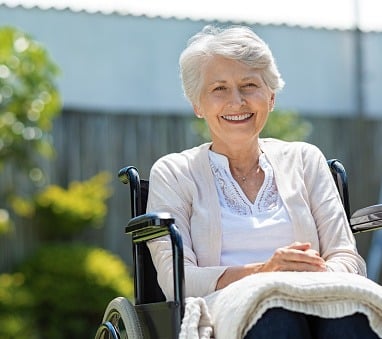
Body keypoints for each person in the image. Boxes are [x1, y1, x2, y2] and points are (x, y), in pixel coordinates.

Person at [146, 25, 379, 338]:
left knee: (351, 318)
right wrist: (265, 273)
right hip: (228, 310)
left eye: (249, 85)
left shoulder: (305, 160)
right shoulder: (174, 173)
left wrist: (305, 281)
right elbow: (178, 279)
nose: (237, 101)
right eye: (219, 89)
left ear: (270, 97)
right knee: (277, 316)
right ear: (197, 105)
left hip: (319, 297)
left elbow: (347, 258)